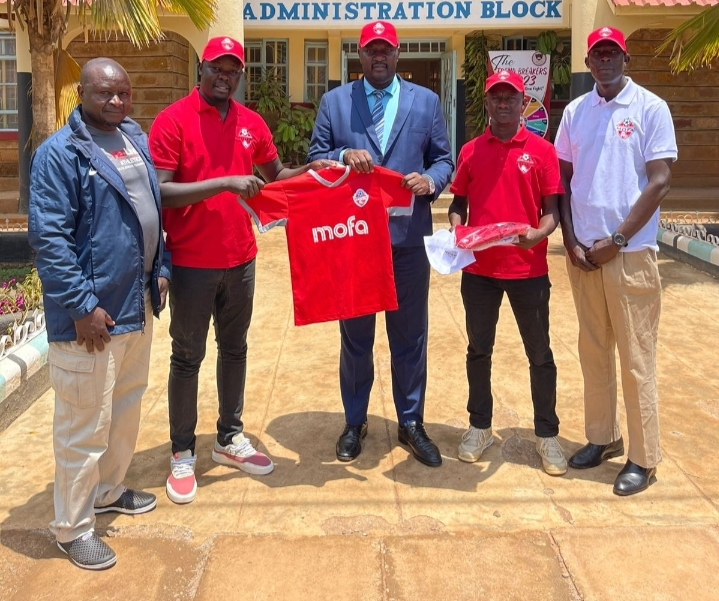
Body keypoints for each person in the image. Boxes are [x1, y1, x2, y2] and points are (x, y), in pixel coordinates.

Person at [149, 36, 332, 504]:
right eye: (218, 68)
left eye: (234, 70)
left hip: (241, 258)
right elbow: (161, 192)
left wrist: (319, 169)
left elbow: (277, 177)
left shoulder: (251, 123)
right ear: (201, 69)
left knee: (235, 350)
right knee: (187, 358)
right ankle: (182, 452)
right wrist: (224, 183)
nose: (226, 77)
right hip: (191, 262)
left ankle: (229, 438)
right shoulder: (173, 121)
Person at [28, 58, 170, 570]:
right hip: (92, 319)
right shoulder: (59, 154)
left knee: (125, 406)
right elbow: (49, 239)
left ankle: (108, 491)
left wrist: (163, 266)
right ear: (81, 94)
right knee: (83, 423)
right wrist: (83, 306)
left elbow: (150, 208)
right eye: (105, 94)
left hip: (135, 309)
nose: (116, 102)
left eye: (124, 93)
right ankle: (73, 527)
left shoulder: (134, 138)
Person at [307, 21, 454, 467]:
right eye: (371, 50)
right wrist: (339, 156)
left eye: (385, 50)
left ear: (397, 54)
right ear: (360, 55)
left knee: (409, 335)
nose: (378, 57)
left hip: (409, 241)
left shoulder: (425, 102)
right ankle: (355, 421)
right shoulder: (335, 102)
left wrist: (430, 181)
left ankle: (411, 422)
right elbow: (316, 158)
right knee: (356, 336)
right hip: (354, 241)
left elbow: (444, 158)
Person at [555, 26, 677, 496]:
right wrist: (570, 240)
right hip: (583, 256)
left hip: (630, 255)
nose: (604, 61)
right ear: (588, 62)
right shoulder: (575, 111)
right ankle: (602, 438)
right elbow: (563, 182)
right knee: (593, 352)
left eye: (612, 53)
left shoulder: (650, 108)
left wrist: (618, 239)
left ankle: (643, 459)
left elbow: (659, 181)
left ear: (624, 57)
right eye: (596, 54)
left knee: (636, 359)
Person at [448, 70, 566, 476]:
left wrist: (539, 234)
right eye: (496, 97)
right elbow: (458, 202)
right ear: (487, 103)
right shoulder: (471, 151)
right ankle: (479, 426)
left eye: (510, 97)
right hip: (480, 269)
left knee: (540, 354)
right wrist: (456, 228)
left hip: (528, 268)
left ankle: (547, 434)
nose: (503, 104)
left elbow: (552, 211)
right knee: (479, 350)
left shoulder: (542, 151)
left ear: (523, 103)